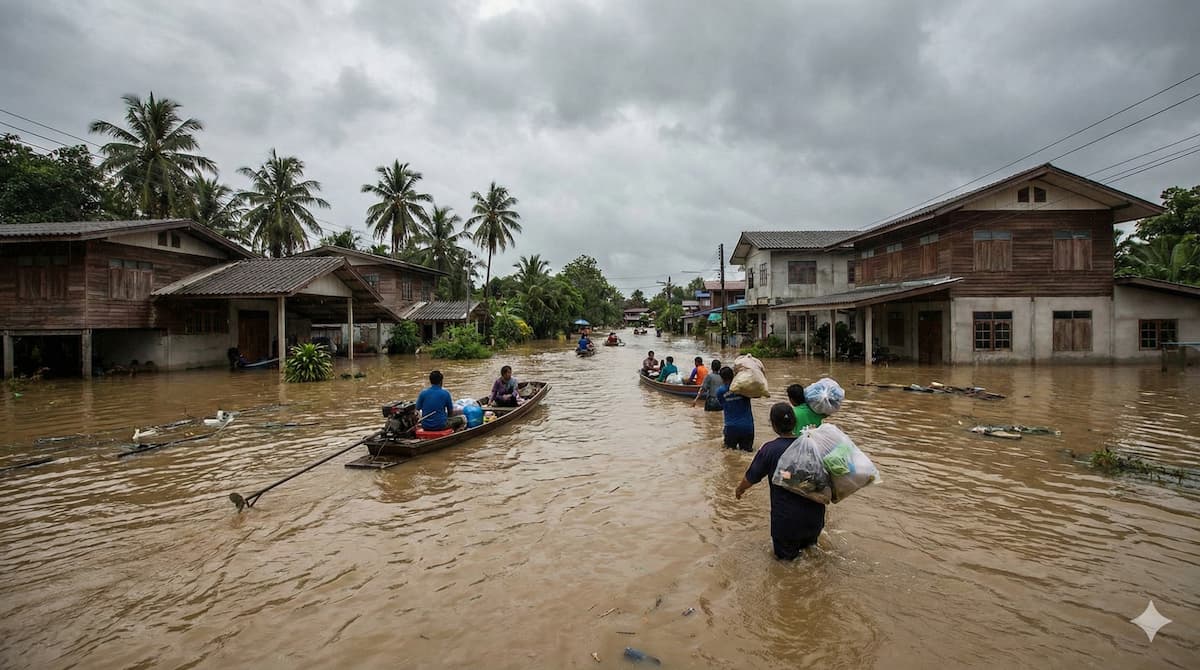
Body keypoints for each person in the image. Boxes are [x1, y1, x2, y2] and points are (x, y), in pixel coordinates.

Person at [735, 403, 827, 560]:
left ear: (773, 425)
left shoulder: (769, 450)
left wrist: (740, 489)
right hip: (814, 518)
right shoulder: (812, 446)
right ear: (794, 422)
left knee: (786, 567)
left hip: (787, 522)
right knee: (811, 558)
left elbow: (751, 478)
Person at [715, 366, 754, 450]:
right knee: (746, 454)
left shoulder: (720, 391)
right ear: (733, 375)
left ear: (721, 378)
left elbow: (722, 405)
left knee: (729, 456)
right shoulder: (743, 388)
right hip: (747, 427)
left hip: (731, 427)